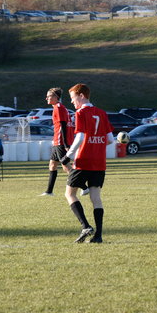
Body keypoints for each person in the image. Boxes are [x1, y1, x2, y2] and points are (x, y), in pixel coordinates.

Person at [60, 83, 114, 243]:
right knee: (96, 197)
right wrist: (96, 145)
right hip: (99, 162)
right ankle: (98, 235)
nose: (72, 101)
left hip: (83, 161)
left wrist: (68, 156)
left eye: (73, 98)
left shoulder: (80, 113)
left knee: (69, 194)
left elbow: (80, 137)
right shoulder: (102, 113)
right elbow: (110, 139)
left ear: (81, 96)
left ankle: (85, 226)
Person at [41, 87, 74, 196]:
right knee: (52, 165)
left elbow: (63, 126)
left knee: (65, 165)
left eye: (49, 96)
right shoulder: (59, 107)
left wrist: (65, 144)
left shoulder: (59, 108)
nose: (46, 98)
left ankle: (84, 187)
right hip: (57, 141)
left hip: (60, 141)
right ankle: (49, 191)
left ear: (56, 97)